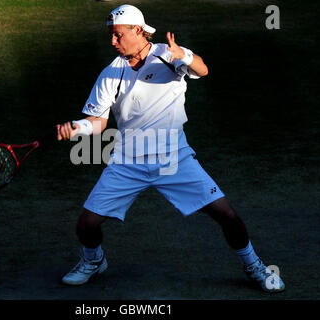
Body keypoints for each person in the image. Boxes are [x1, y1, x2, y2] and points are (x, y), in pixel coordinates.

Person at [56, 4, 285, 292]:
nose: (112, 41)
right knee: (86, 225)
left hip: (173, 158)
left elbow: (202, 68)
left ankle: (254, 265)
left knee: (226, 215)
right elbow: (99, 121)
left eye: (117, 35)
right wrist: (79, 128)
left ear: (137, 30)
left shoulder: (168, 55)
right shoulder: (109, 74)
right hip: (128, 161)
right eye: (111, 36)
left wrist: (184, 55)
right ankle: (93, 260)